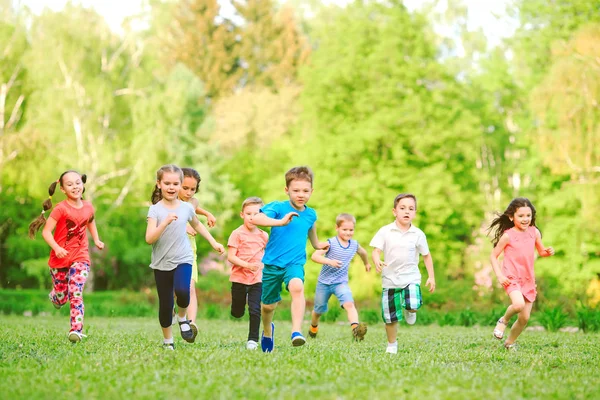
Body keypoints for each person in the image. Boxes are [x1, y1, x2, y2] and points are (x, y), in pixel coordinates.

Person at [250, 166, 329, 352]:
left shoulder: (311, 214)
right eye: (296, 190)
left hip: (294, 263)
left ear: (312, 191)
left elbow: (312, 235)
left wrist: (319, 246)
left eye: (305, 191)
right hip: (272, 264)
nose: (301, 194)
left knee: (297, 286)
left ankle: (296, 332)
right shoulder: (278, 207)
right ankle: (268, 331)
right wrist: (280, 222)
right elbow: (256, 219)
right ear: (287, 190)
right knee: (268, 306)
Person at [145, 164, 224, 349]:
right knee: (165, 305)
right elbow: (149, 238)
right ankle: (168, 341)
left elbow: (197, 225)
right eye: (167, 183)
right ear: (159, 184)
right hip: (161, 262)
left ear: (180, 184)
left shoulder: (186, 208)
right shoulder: (155, 210)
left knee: (183, 290)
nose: (172, 187)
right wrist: (164, 223)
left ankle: (182, 318)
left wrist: (213, 242)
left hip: (183, 258)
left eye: (175, 183)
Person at [28, 170, 104, 343]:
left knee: (76, 292)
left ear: (82, 184)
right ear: (62, 189)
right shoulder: (60, 209)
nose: (75, 187)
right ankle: (55, 296)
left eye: (78, 182)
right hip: (59, 259)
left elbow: (90, 221)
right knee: (62, 297)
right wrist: (56, 247)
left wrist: (97, 240)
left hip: (81, 256)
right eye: (70, 184)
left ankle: (76, 330)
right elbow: (46, 232)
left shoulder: (88, 206)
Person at [370, 193, 435, 355]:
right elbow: (376, 251)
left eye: (411, 209)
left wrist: (431, 276)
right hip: (390, 279)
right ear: (394, 211)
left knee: (412, 304)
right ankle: (392, 345)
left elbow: (426, 255)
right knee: (390, 316)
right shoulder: (385, 231)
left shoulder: (418, 234)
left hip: (411, 277)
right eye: (403, 208)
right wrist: (377, 260)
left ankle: (410, 309)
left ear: (415, 213)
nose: (407, 211)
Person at [489, 197, 554, 350]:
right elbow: (493, 255)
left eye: (528, 215)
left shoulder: (534, 232)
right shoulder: (508, 235)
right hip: (511, 277)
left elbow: (541, 251)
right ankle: (503, 321)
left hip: (528, 279)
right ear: (511, 217)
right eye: (521, 216)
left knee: (524, 318)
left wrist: (547, 252)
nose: (525, 219)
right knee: (518, 305)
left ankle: (509, 343)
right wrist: (499, 275)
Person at [308, 213, 371, 341]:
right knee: (318, 310)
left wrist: (367, 263)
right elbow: (315, 256)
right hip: (324, 283)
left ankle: (356, 329)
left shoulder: (354, 245)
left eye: (351, 230)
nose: (348, 233)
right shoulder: (330, 243)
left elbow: (363, 252)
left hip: (341, 283)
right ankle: (313, 327)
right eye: (345, 229)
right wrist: (329, 261)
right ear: (337, 228)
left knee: (349, 303)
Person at [227, 197, 269, 350]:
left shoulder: (264, 235)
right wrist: (247, 265)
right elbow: (231, 256)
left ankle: (253, 339)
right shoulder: (237, 234)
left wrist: (263, 265)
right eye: (248, 213)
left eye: (256, 214)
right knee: (237, 312)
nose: (252, 217)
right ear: (242, 215)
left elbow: (268, 255)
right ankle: (237, 309)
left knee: (255, 309)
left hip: (257, 279)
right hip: (239, 278)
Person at [178, 167, 217, 331]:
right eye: (185, 188)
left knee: (190, 287)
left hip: (189, 249)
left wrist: (207, 213)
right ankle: (178, 313)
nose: (188, 192)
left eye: (192, 189)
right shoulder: (166, 202)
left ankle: (191, 323)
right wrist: (183, 226)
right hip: (171, 250)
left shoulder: (191, 203)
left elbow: (192, 210)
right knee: (178, 290)